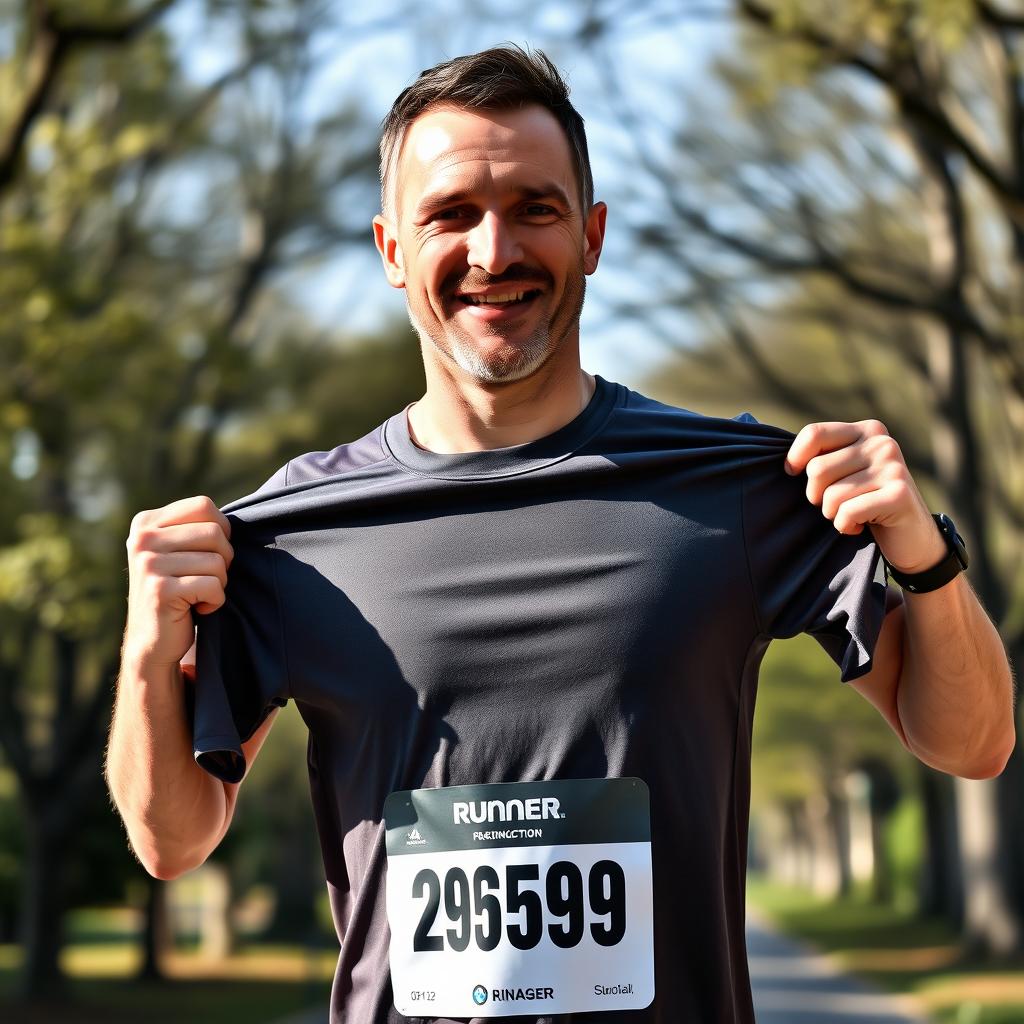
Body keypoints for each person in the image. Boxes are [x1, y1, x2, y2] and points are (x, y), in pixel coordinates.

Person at [105, 45, 1014, 1024]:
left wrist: (925, 557)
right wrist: (148, 648)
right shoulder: (290, 536)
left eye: (534, 209)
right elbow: (172, 840)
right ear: (390, 251)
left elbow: (973, 742)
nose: (493, 252)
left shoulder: (736, 490)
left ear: (591, 236)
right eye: (450, 214)